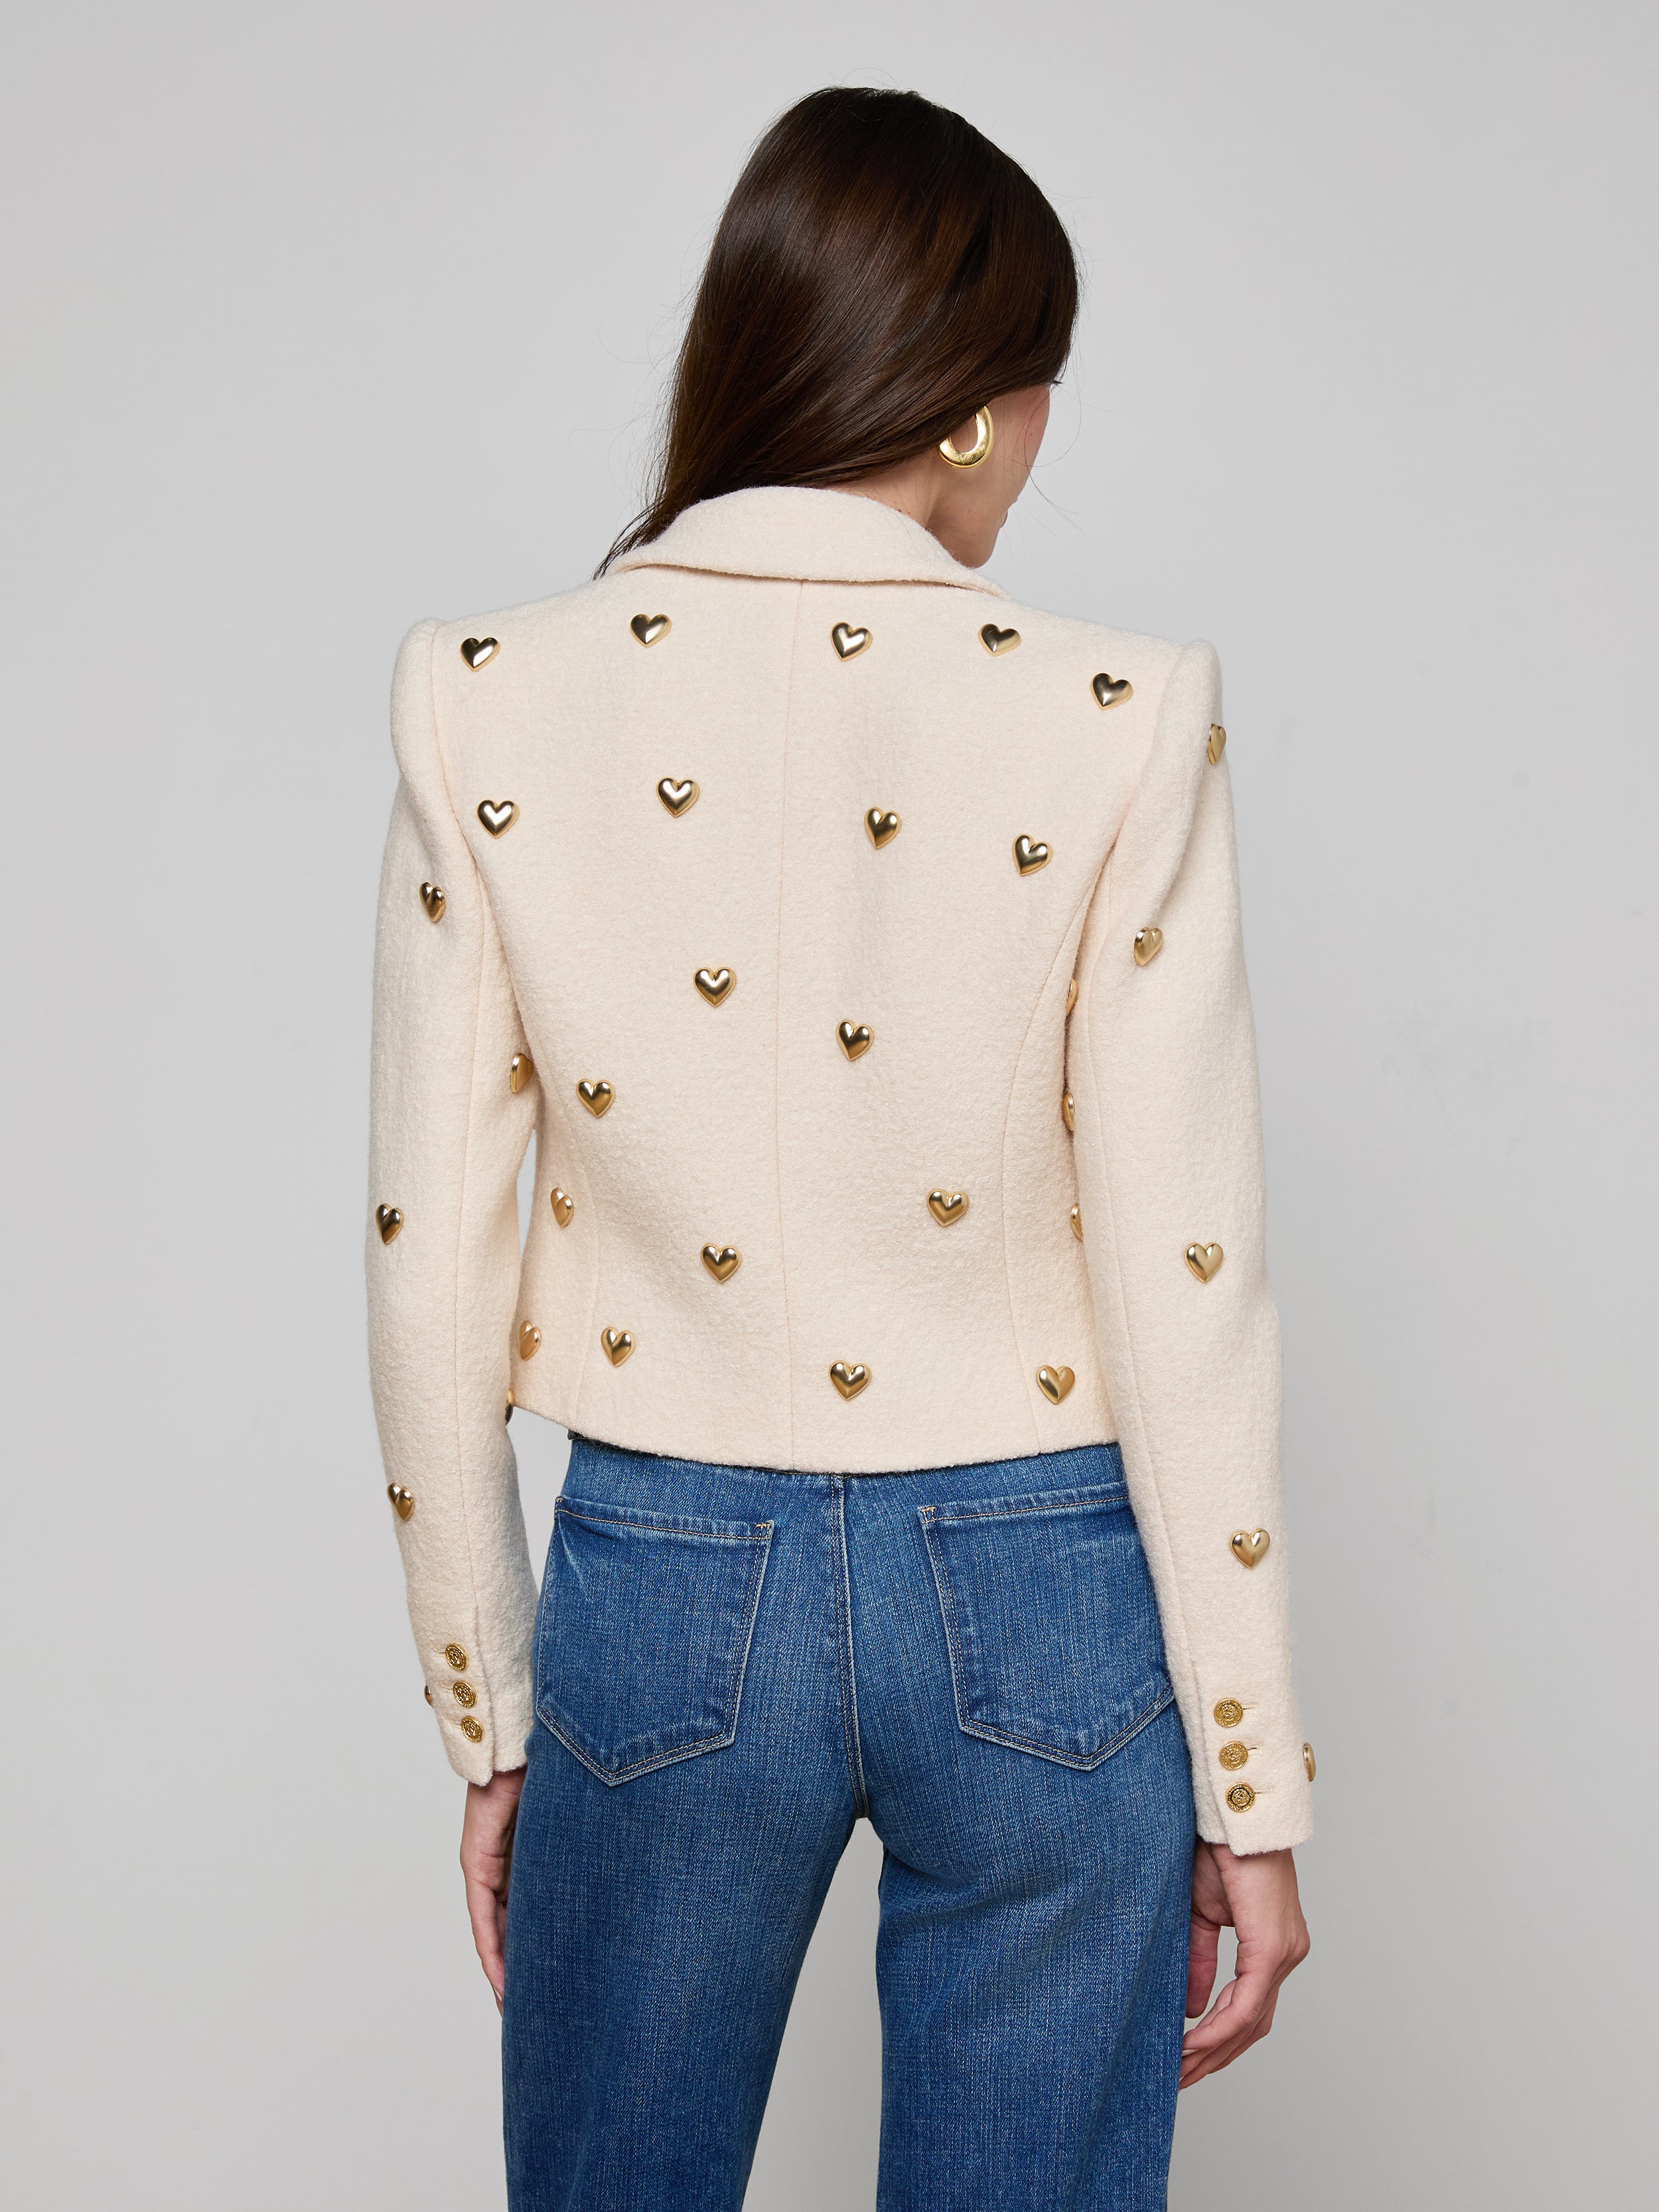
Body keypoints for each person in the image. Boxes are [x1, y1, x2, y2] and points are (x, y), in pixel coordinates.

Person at [367, 84, 1311, 2212]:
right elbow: (1189, 1275)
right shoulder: (1116, 709)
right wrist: (1252, 1783)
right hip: (1047, 1585)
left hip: (665, 1575)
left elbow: (429, 1265)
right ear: (972, 407)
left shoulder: (487, 693)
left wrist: (492, 1716)